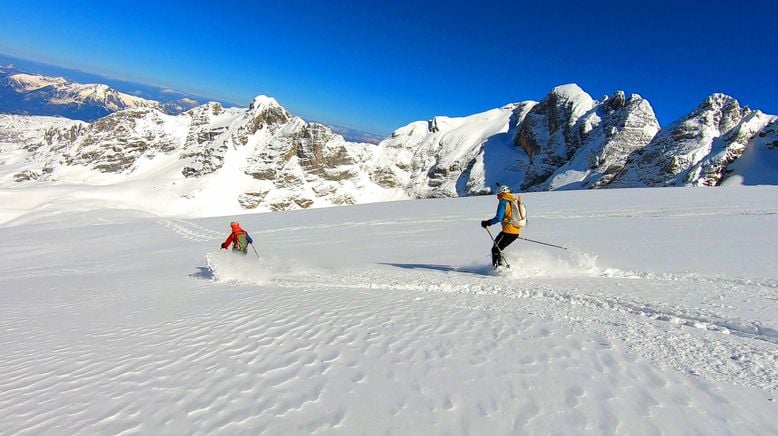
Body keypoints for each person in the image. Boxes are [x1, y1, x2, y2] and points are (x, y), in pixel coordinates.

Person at [480, 185, 523, 268]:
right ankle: (500, 265)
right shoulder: (513, 200)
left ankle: (497, 268)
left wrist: (487, 222)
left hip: (508, 231)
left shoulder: (503, 202)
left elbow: (498, 218)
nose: (497, 196)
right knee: (498, 248)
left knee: (495, 249)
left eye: (498, 194)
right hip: (516, 231)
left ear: (502, 193)